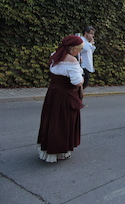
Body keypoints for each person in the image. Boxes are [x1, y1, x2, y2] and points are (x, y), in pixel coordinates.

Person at [37, 35, 85, 163]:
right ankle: (60, 151)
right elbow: (76, 82)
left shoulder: (55, 55)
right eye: (79, 49)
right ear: (73, 48)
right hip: (66, 96)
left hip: (52, 93)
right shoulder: (72, 61)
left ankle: (47, 149)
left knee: (51, 120)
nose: (79, 52)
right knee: (63, 122)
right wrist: (82, 79)